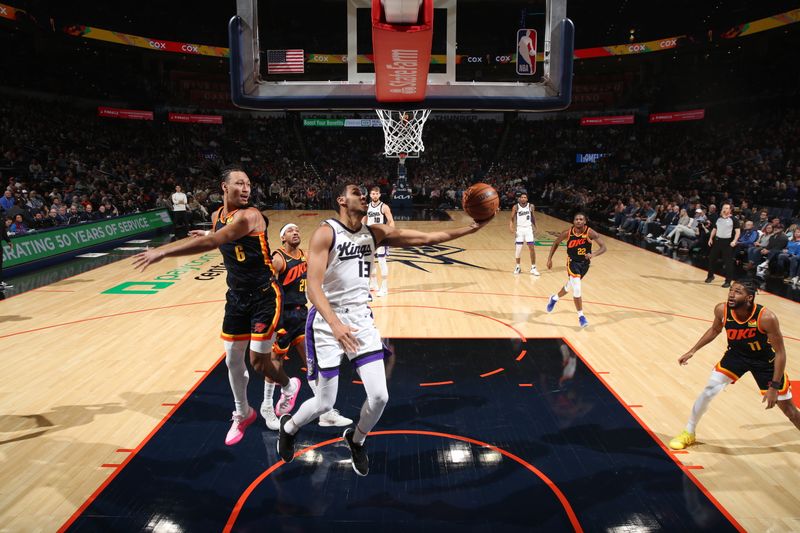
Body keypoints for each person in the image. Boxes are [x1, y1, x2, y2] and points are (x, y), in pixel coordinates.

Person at [277, 183, 492, 475]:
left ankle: (356, 439)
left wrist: (471, 228)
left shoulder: (374, 233)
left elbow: (428, 238)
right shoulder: (326, 232)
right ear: (341, 200)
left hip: (361, 320)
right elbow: (313, 288)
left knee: (380, 396)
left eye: (366, 194)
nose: (364, 196)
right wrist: (336, 325)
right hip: (328, 323)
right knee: (325, 402)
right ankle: (289, 428)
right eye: (357, 193)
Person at [132, 165, 302, 446]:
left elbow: (217, 240)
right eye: (239, 183)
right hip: (235, 296)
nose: (246, 188)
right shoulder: (217, 216)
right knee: (232, 359)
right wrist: (207, 232)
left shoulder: (251, 216)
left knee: (258, 362)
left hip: (263, 295)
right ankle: (243, 411)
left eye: (248, 183)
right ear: (224, 187)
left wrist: (163, 250)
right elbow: (217, 233)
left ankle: (288, 385)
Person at [669, 279, 799, 450]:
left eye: (738, 291)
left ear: (749, 298)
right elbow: (715, 330)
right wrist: (692, 350)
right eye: (731, 290)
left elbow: (781, 353)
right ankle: (689, 432)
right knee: (709, 389)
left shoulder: (766, 318)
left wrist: (774, 387)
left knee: (789, 410)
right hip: (736, 356)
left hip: (764, 362)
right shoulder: (721, 309)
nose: (731, 294)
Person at [262, 222, 353, 430]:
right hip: (282, 315)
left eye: (297, 230)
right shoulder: (278, 259)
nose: (296, 232)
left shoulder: (305, 256)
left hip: (302, 314)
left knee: (312, 363)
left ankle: (326, 412)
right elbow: (268, 292)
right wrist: (273, 321)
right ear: (283, 237)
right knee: (275, 362)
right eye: (291, 231)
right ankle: (267, 406)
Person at [545, 213, 607, 328]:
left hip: (585, 264)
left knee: (570, 286)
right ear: (573, 221)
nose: (578, 221)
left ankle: (554, 298)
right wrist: (549, 259)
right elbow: (556, 243)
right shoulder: (567, 232)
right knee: (577, 288)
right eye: (576, 219)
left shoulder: (590, 232)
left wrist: (593, 254)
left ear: (585, 222)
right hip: (572, 262)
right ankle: (581, 317)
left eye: (581, 219)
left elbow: (604, 247)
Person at [363, 186, 395, 297]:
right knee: (370, 261)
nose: (375, 195)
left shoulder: (384, 207)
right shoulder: (366, 207)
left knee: (382, 261)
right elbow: (363, 222)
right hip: (370, 237)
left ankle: (384, 288)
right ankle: (374, 284)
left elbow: (391, 222)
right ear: (370, 195)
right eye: (373, 194)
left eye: (376, 193)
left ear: (380, 195)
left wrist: (388, 233)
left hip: (381, 238)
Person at [705, 203, 740, 288]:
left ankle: (728, 281)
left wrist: (735, 241)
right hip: (717, 241)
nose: (725, 209)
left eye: (727, 208)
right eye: (723, 208)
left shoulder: (734, 219)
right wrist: (710, 238)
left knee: (728, 262)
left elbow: (738, 232)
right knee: (711, 259)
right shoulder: (719, 219)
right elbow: (714, 229)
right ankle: (710, 276)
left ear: (730, 210)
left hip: (727, 242)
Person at [509, 193, 539, 275]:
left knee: (532, 248)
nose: (523, 198)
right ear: (519, 199)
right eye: (521, 197)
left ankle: (533, 267)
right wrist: (511, 227)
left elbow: (533, 217)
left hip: (528, 229)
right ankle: (518, 267)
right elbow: (512, 218)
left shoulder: (531, 206)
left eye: (524, 197)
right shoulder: (516, 207)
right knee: (518, 249)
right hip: (520, 229)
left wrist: (536, 226)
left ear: (527, 199)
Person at [0, 217, 13, 290]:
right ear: (5, 221)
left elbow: (4, 234)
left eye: (10, 223)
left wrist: (8, 241)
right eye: (8, 222)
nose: (9, 225)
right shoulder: (1, 224)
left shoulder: (2, 225)